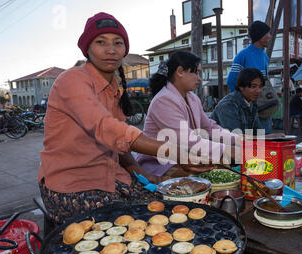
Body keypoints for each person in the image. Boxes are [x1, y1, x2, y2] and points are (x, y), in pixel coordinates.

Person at [37, 13, 212, 227]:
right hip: (73, 183)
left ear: (124, 50)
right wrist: (177, 153)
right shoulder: (72, 80)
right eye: (101, 42)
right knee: (127, 228)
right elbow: (110, 130)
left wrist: (142, 173)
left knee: (169, 211)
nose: (111, 50)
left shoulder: (113, 91)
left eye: (117, 43)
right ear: (87, 49)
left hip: (112, 177)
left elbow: (121, 148)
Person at [136, 51, 240, 179]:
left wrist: (238, 139)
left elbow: (209, 127)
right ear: (180, 71)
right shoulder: (163, 100)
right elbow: (187, 140)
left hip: (184, 157)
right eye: (196, 72)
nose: (199, 78)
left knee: (224, 167)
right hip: (159, 164)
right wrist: (227, 150)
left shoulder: (192, 98)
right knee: (218, 170)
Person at [226, 20, 273, 134]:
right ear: (260, 35)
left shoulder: (265, 57)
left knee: (265, 140)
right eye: (267, 33)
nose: (270, 37)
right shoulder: (243, 55)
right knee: (251, 143)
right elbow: (232, 81)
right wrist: (244, 104)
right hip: (248, 109)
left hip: (264, 106)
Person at [210, 68, 263, 132]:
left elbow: (258, 132)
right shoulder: (228, 105)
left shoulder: (252, 103)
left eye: (260, 86)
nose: (259, 91)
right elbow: (234, 138)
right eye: (253, 87)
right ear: (241, 87)